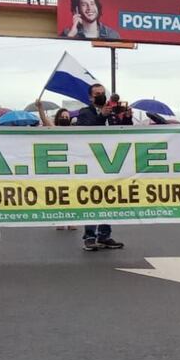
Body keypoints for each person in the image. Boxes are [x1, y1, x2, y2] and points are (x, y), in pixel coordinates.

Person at [75, 83, 125, 250]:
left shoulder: (111, 113)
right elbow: (87, 131)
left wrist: (125, 117)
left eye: (103, 93)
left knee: (108, 198)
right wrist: (102, 115)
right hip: (91, 162)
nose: (101, 96)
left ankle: (105, 235)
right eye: (97, 94)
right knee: (91, 198)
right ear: (90, 97)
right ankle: (89, 236)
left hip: (110, 161)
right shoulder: (85, 112)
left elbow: (123, 131)